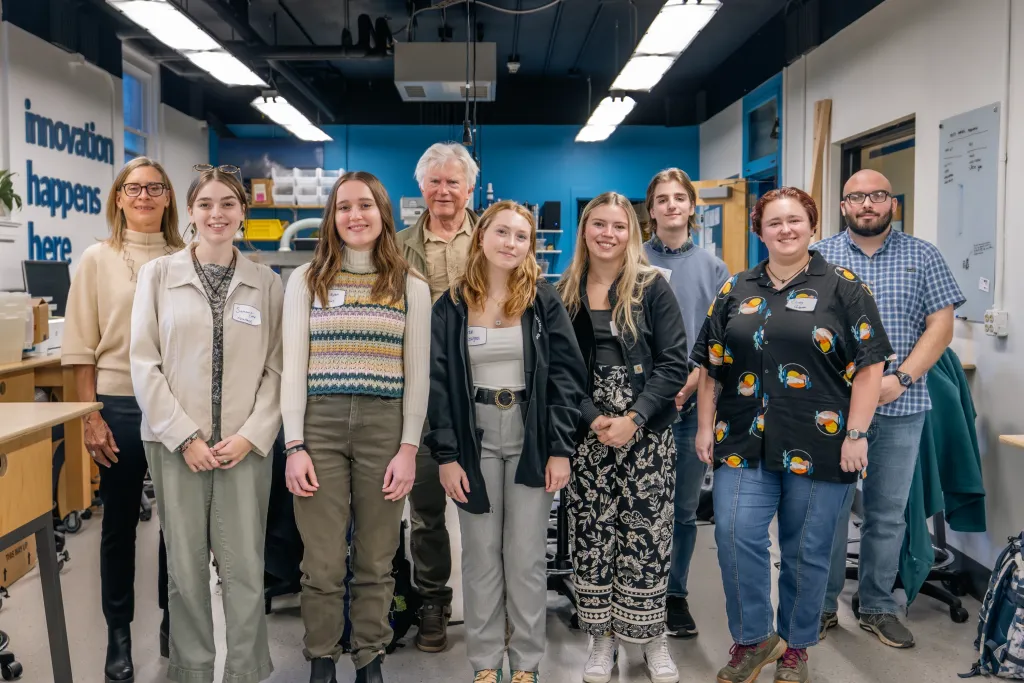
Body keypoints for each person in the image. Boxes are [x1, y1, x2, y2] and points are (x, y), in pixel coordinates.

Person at [691, 187, 893, 683]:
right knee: (735, 534)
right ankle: (754, 639)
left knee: (807, 547)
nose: (785, 229)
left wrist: (858, 433)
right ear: (759, 231)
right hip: (741, 438)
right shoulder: (736, 288)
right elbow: (712, 366)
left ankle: (796, 647)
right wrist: (703, 426)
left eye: (795, 221)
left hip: (822, 440)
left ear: (812, 226)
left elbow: (870, 367)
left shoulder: (844, 287)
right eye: (774, 222)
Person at [130, 167, 283, 683]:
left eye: (228, 204)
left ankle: (246, 671)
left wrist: (251, 435)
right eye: (205, 204)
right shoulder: (158, 275)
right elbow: (143, 363)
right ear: (190, 211)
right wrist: (184, 436)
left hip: (244, 447)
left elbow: (278, 369)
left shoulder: (267, 283)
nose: (216, 214)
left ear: (244, 212)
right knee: (185, 571)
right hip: (177, 448)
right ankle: (191, 671)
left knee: (244, 569)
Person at [426, 201, 587, 683]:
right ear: (481, 236)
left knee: (526, 557)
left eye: (521, 236)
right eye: (502, 232)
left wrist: (561, 448)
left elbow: (566, 377)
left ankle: (527, 663)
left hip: (530, 434)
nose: (510, 243)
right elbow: (436, 383)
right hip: (474, 438)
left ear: (530, 245)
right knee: (478, 557)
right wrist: (448, 455)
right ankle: (485, 663)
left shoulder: (543, 300)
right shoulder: (452, 304)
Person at [282, 171, 431, 683]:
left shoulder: (411, 285)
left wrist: (409, 447)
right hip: (317, 427)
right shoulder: (305, 280)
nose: (354, 215)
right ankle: (321, 658)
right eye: (343, 207)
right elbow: (292, 369)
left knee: (376, 558)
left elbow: (418, 374)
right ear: (332, 217)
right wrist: (294, 444)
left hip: (384, 427)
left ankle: (370, 658)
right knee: (321, 561)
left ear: (382, 213)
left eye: (365, 205)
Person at [815, 169, 965, 648]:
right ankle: (821, 607)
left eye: (877, 196)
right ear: (843, 206)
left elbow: (940, 327)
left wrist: (900, 379)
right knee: (829, 510)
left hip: (901, 406)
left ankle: (878, 605)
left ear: (892, 204)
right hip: (833, 410)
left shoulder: (923, 256)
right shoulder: (821, 257)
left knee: (888, 513)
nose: (867, 204)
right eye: (856, 197)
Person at [557, 192, 689, 683]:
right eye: (598, 224)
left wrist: (634, 418)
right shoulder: (565, 290)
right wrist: (593, 418)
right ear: (584, 230)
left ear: (632, 232)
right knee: (594, 536)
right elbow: (561, 372)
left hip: (647, 431)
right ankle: (601, 640)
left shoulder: (653, 287)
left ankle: (653, 639)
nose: (607, 234)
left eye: (618, 225)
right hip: (587, 433)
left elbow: (675, 362)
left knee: (646, 535)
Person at [63, 156, 183, 683]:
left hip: (177, 406)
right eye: (134, 188)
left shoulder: (187, 255)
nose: (144, 195)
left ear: (168, 199)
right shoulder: (97, 258)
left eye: (155, 187)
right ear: (118, 197)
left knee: (179, 525)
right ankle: (118, 635)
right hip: (117, 403)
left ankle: (172, 621)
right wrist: (90, 417)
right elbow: (79, 349)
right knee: (118, 527)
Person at [395, 142, 480, 652]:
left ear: (470, 188)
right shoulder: (397, 245)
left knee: (486, 506)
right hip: (420, 392)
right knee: (425, 507)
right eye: (435, 182)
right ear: (421, 188)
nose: (444, 190)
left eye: (454, 181)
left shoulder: (498, 237)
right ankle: (433, 600)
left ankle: (496, 602)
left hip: (485, 391)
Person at [642, 168, 731, 639]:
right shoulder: (631, 259)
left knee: (680, 509)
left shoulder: (714, 269)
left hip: (692, 403)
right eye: (663, 198)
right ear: (651, 208)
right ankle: (636, 591)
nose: (672, 205)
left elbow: (717, 343)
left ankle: (674, 595)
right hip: (639, 403)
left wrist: (692, 384)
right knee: (637, 505)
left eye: (681, 197)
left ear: (692, 207)